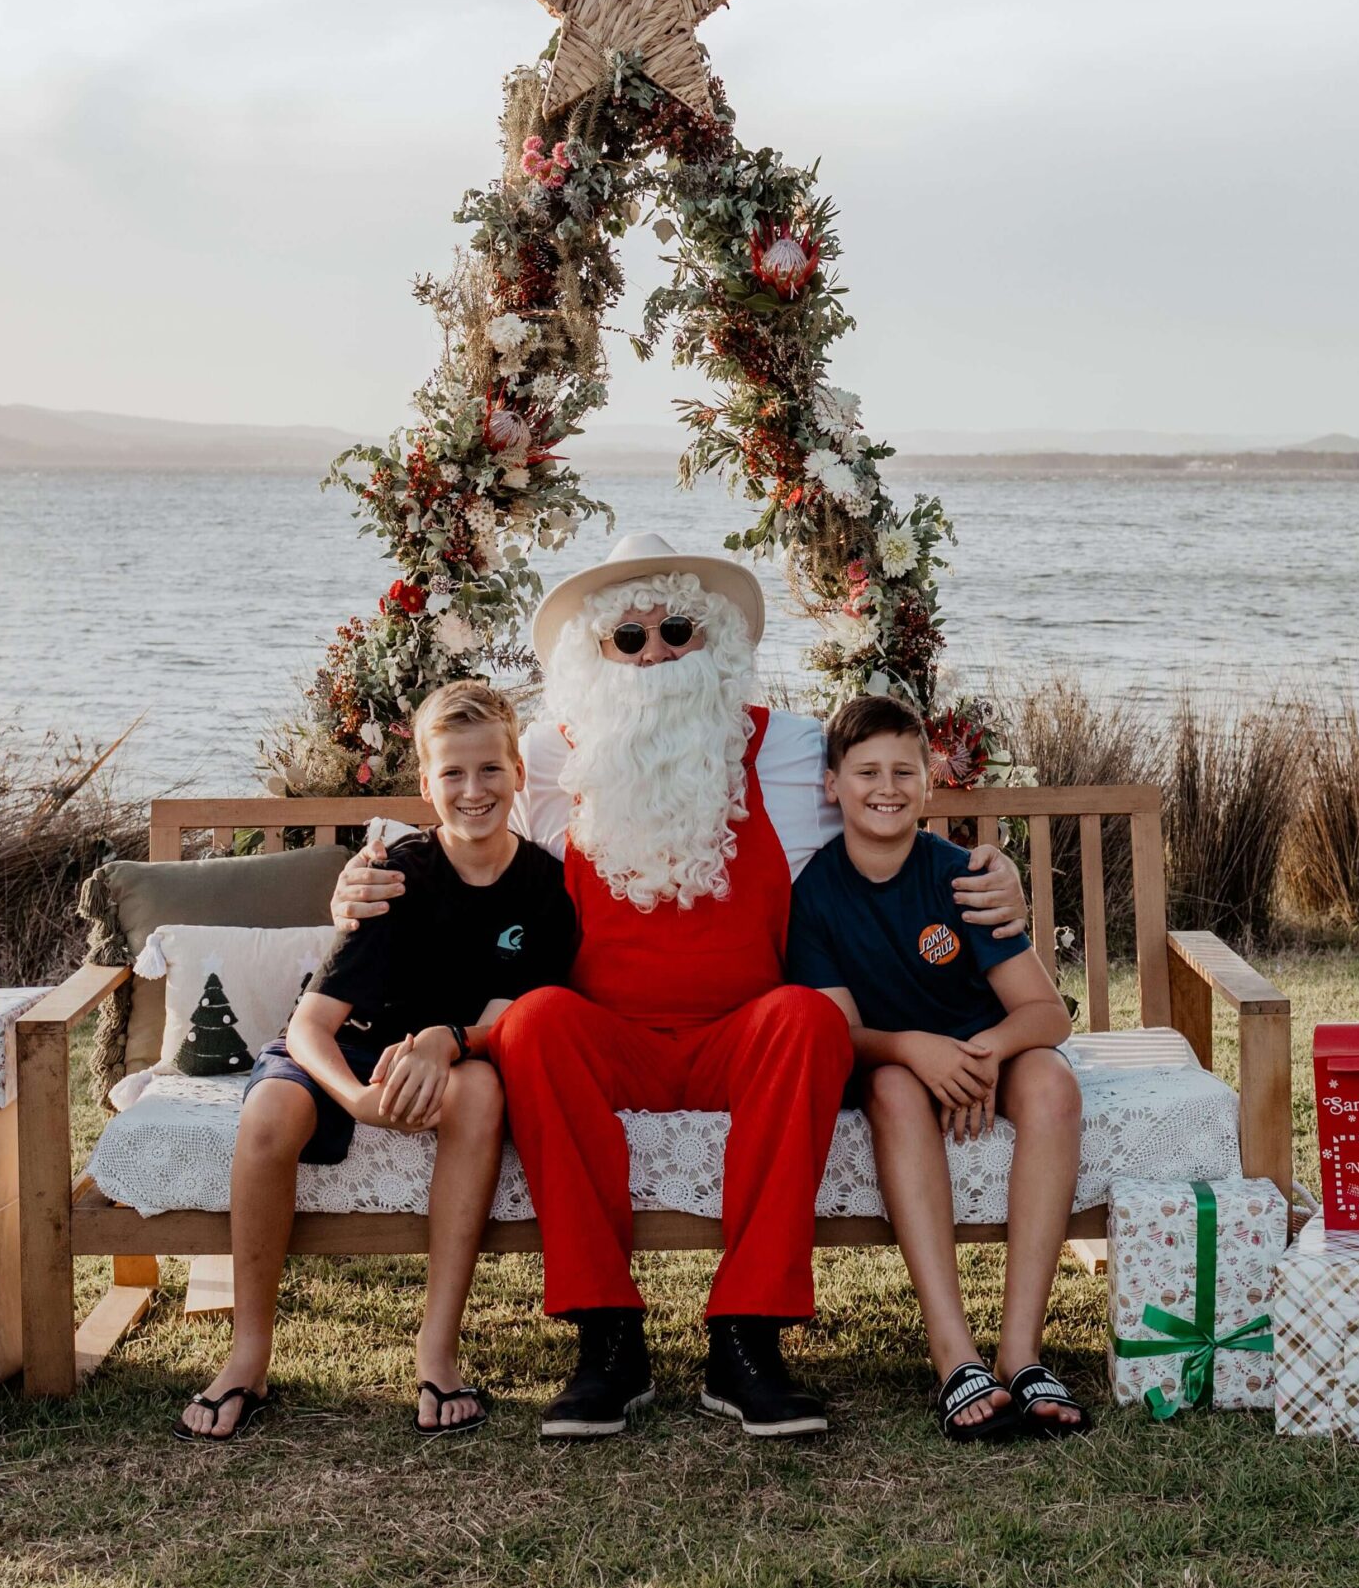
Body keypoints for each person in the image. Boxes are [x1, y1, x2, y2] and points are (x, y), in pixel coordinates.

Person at [330, 529, 1031, 1443]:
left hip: (739, 1038)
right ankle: (606, 1339)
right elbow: (455, 814)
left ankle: (747, 1341)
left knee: (811, 1020)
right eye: (628, 639)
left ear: (718, 645)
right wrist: (354, 877)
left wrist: (996, 866)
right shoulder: (547, 757)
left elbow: (888, 804)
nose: (654, 654)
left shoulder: (790, 753)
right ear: (596, 656)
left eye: (676, 632)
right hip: (608, 1041)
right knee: (536, 1021)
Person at [175, 681, 576, 1444]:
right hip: (353, 1046)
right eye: (452, 774)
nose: (473, 790)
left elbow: (510, 1018)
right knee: (268, 1111)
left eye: (490, 769)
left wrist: (442, 1041)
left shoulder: (546, 888)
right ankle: (248, 1355)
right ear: (425, 785)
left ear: (519, 773)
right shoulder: (393, 873)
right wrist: (356, 1098)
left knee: (482, 1094)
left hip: (457, 1052)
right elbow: (308, 1029)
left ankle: (437, 1351)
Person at [786, 693, 1087, 1442]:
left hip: (980, 1051)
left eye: (903, 771)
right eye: (865, 772)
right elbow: (840, 1033)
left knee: (1052, 1080)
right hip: (889, 1062)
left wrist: (981, 1055)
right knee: (891, 1086)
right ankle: (954, 1357)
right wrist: (916, 1049)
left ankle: (1021, 1354)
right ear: (832, 786)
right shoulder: (815, 895)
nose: (885, 787)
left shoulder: (963, 877)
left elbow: (1048, 1015)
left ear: (928, 783)